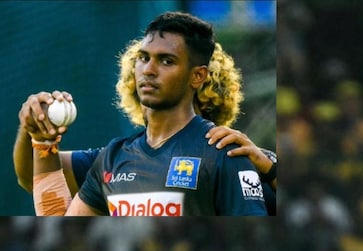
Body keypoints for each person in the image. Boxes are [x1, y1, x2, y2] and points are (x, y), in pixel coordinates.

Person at [30, 12, 268, 216]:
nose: (149, 70)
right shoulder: (112, 157)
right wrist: (43, 142)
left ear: (197, 76)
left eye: (167, 61)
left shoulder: (224, 152)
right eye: (143, 58)